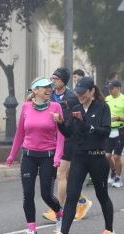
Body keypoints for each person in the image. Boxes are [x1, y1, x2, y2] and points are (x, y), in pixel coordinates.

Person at [47, 77, 116, 234]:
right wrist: (61, 123)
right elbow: (69, 133)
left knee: (102, 195)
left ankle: (109, 231)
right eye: (77, 92)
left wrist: (86, 125)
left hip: (97, 157)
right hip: (79, 157)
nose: (80, 96)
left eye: (83, 92)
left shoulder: (102, 108)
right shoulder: (76, 109)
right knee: (71, 195)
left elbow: (105, 132)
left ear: (92, 91)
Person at [6, 77, 64, 234]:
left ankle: (59, 214)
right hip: (29, 156)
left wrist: (57, 156)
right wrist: (12, 155)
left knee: (46, 194)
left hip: (48, 156)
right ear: (35, 90)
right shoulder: (25, 107)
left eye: (50, 87)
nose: (49, 89)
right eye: (45, 87)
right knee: (28, 194)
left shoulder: (55, 107)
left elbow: (61, 135)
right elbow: (20, 134)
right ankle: (32, 231)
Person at [43, 67, 93, 223]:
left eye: (56, 79)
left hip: (69, 138)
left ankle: (58, 209)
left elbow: (80, 117)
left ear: (63, 81)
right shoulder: (49, 96)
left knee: (61, 175)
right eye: (51, 78)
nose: (53, 81)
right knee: (66, 177)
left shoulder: (72, 97)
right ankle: (82, 202)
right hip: (53, 139)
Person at [104, 80, 124, 188]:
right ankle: (113, 171)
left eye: (112, 88)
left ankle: (118, 178)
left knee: (116, 156)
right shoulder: (107, 99)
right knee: (107, 155)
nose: (110, 90)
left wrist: (119, 118)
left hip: (121, 129)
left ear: (118, 88)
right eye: (109, 88)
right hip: (109, 130)